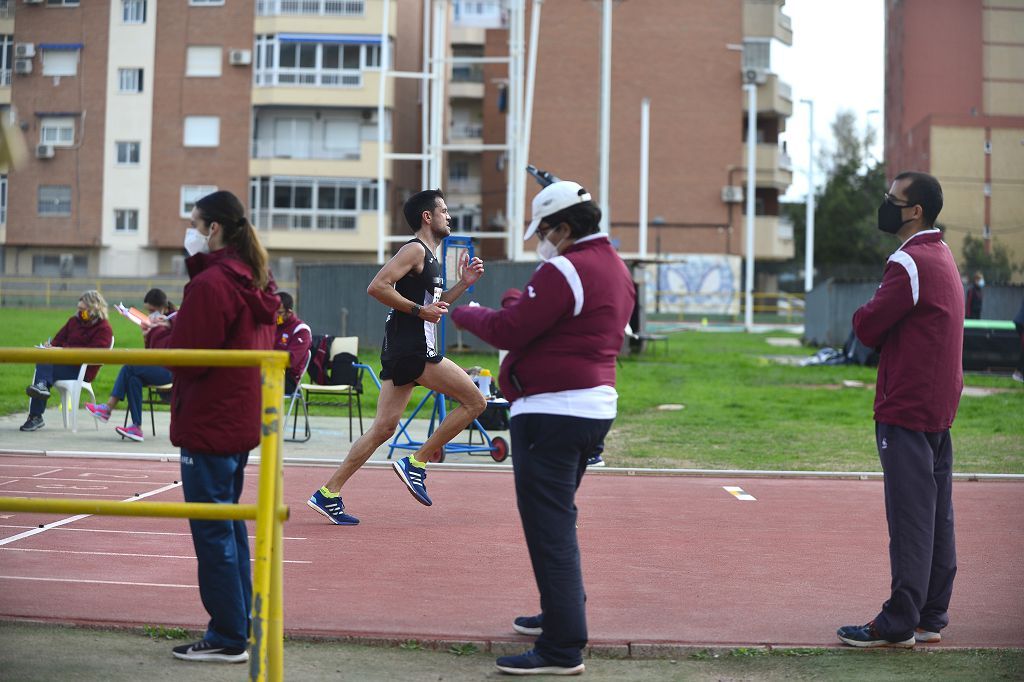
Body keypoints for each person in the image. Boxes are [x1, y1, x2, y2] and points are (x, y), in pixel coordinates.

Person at [450, 180, 635, 675]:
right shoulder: (615, 267)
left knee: (549, 527)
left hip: (552, 410)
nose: (540, 241)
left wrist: (464, 314)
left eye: (544, 232)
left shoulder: (566, 267)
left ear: (565, 228)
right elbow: (551, 323)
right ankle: (559, 612)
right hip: (592, 406)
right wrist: (518, 302)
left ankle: (562, 646)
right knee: (558, 519)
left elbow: (511, 330)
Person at [146, 190, 279, 664]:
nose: (190, 232)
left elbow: (189, 358)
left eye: (194, 222)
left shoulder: (214, 284)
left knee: (214, 529)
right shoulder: (254, 278)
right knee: (228, 525)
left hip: (210, 418)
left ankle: (227, 635)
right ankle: (237, 624)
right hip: (239, 417)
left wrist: (158, 335)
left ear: (214, 229)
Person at [306, 189, 486, 525]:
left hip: (402, 347)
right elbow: (377, 286)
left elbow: (436, 304)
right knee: (476, 402)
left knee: (383, 428)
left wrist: (463, 284)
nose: (449, 216)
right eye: (444, 211)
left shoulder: (430, 258)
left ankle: (328, 493)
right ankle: (416, 462)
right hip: (414, 348)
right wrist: (420, 311)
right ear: (427, 217)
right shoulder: (414, 250)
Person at [837, 171, 964, 649]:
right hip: (937, 403)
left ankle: (898, 622)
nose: (885, 206)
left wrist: (863, 317)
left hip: (906, 405)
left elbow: (868, 327)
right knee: (937, 515)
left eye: (893, 200)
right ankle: (931, 614)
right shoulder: (943, 253)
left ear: (915, 211)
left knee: (911, 516)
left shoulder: (908, 262)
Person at [85, 289, 177, 441]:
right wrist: (147, 336)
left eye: (152, 311)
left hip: (170, 371)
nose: (150, 315)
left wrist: (163, 325)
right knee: (134, 379)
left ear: (164, 308)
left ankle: (108, 408)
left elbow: (168, 349)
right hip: (158, 367)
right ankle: (136, 427)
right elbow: (152, 353)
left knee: (129, 367)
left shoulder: (174, 319)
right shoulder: (155, 323)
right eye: (148, 311)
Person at [21, 290, 114, 432]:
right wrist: (50, 346)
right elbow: (58, 340)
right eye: (79, 309)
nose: (79, 312)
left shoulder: (104, 328)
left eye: (83, 310)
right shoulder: (74, 321)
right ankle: (40, 394)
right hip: (63, 363)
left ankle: (36, 414)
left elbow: (95, 354)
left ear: (94, 309)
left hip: (83, 370)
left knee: (45, 364)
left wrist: (63, 350)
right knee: (44, 355)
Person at [275, 291, 312, 395]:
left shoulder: (301, 330)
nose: (275, 315)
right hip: (268, 371)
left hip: (288, 379)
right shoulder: (270, 326)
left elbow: (291, 360)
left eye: (279, 312)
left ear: (289, 312)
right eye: (273, 311)